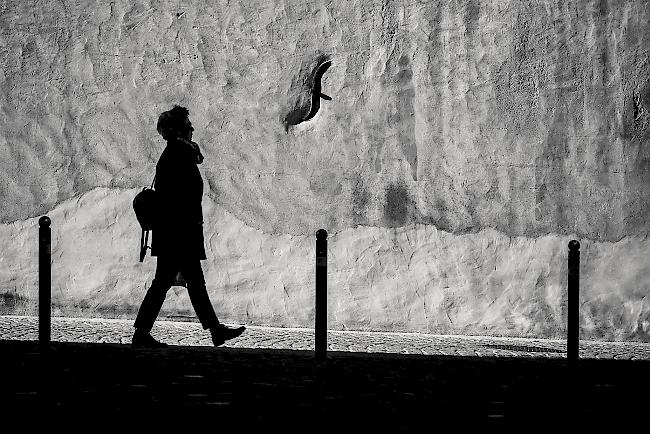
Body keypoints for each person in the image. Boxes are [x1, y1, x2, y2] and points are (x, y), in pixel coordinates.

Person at [132, 105, 246, 348]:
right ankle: (211, 330)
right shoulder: (178, 154)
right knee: (178, 283)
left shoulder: (176, 154)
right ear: (180, 130)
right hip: (179, 232)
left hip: (176, 230)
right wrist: (187, 225)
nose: (193, 129)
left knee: (179, 282)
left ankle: (212, 330)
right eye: (188, 125)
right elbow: (179, 198)